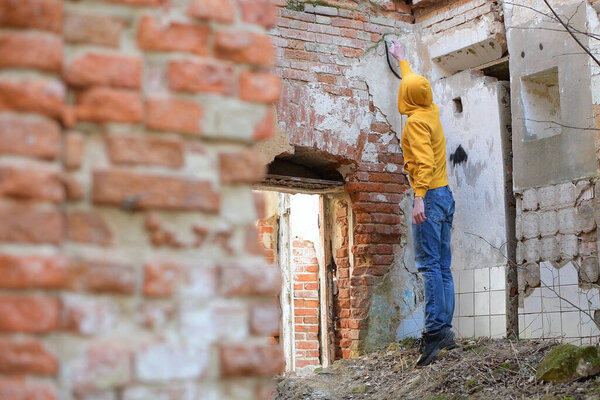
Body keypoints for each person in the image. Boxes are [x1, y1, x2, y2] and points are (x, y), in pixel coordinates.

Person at [388, 40, 457, 367]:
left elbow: (425, 163)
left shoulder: (415, 122)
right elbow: (416, 84)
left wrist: (418, 200)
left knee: (429, 267)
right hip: (445, 195)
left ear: (406, 98)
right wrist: (403, 60)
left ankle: (433, 333)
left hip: (429, 195)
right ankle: (444, 329)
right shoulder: (429, 109)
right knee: (442, 267)